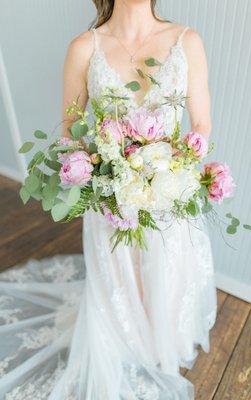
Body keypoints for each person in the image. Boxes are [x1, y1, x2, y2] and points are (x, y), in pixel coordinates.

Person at [0, 0, 216, 398]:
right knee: (120, 279)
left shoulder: (186, 42)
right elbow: (69, 133)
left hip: (167, 195)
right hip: (109, 200)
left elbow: (200, 124)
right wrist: (104, 175)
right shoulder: (85, 47)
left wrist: (169, 171)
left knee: (165, 273)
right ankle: (126, 341)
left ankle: (161, 342)